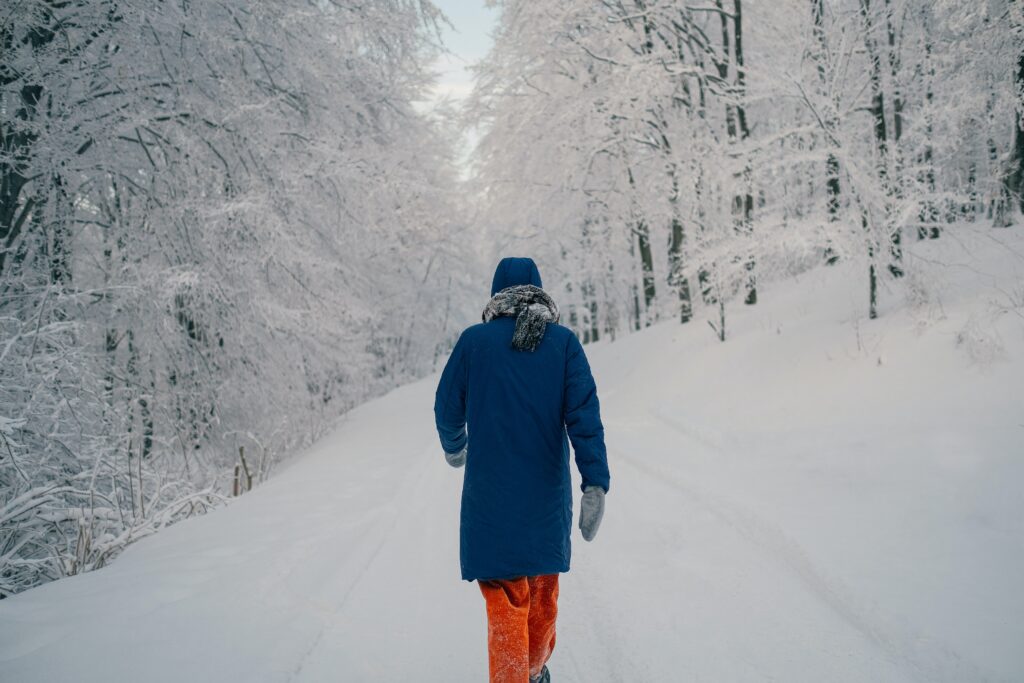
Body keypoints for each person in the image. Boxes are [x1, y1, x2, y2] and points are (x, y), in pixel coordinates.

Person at [434, 257, 610, 683]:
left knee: (507, 603)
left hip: (489, 506)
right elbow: (585, 418)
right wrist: (595, 484)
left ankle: (519, 676)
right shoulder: (564, 344)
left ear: (496, 296)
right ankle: (531, 673)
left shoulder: (473, 343)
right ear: (540, 292)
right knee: (543, 596)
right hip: (546, 505)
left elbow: (446, 408)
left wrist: (456, 448)